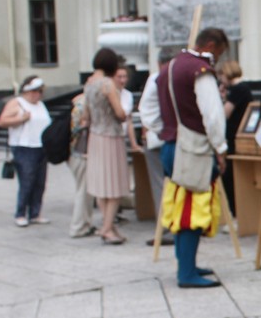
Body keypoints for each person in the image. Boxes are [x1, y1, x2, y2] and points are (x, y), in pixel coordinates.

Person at [154, 27, 229, 288]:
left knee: (179, 205)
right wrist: (220, 147)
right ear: (209, 45)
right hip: (192, 149)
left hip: (171, 145)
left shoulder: (168, 68)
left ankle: (186, 264)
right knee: (190, 211)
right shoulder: (200, 72)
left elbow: (148, 108)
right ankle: (186, 272)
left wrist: (164, 130)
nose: (216, 59)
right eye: (218, 53)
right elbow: (213, 115)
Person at [82, 48, 130, 244]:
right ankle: (107, 229)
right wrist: (125, 113)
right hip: (111, 136)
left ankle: (108, 225)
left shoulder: (89, 84)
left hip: (95, 137)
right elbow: (119, 113)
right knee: (115, 185)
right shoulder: (108, 84)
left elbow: (86, 115)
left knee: (102, 185)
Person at [0, 75, 51, 226]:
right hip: (24, 148)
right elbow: (2, 121)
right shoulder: (17, 103)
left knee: (40, 182)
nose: (37, 95)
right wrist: (20, 119)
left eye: (40, 91)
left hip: (40, 147)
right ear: (27, 90)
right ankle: (20, 213)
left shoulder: (40, 105)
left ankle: (35, 212)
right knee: (27, 181)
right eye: (35, 91)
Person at [137, 48, 175, 245]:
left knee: (161, 184)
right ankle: (172, 225)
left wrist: (152, 129)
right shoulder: (171, 78)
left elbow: (145, 111)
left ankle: (167, 228)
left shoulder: (157, 78)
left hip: (159, 136)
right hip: (170, 136)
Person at [219, 59, 251, 215]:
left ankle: (235, 212)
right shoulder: (243, 89)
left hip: (233, 137)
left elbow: (224, 114)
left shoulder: (238, 90)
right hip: (237, 135)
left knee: (229, 177)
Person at [66, 86, 96, 238]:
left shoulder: (79, 102)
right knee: (83, 191)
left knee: (85, 190)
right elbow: (79, 129)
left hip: (76, 153)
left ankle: (85, 224)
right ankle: (78, 227)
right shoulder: (83, 104)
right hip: (81, 153)